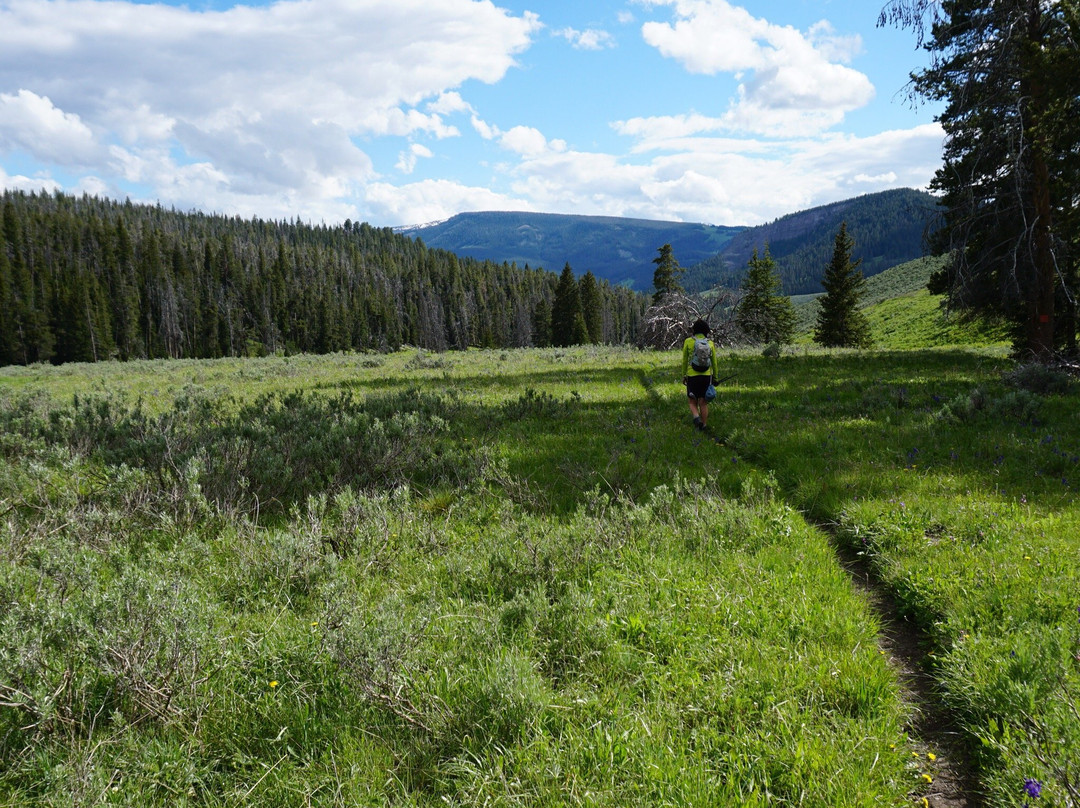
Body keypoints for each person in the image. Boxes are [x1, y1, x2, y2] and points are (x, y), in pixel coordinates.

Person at [681, 319, 718, 430]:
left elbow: (684, 360)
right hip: (706, 375)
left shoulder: (688, 341)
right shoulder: (710, 343)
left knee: (692, 402)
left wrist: (684, 375)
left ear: (694, 330)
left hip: (692, 375)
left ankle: (696, 418)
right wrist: (715, 377)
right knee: (703, 402)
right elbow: (714, 362)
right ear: (706, 330)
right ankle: (704, 424)